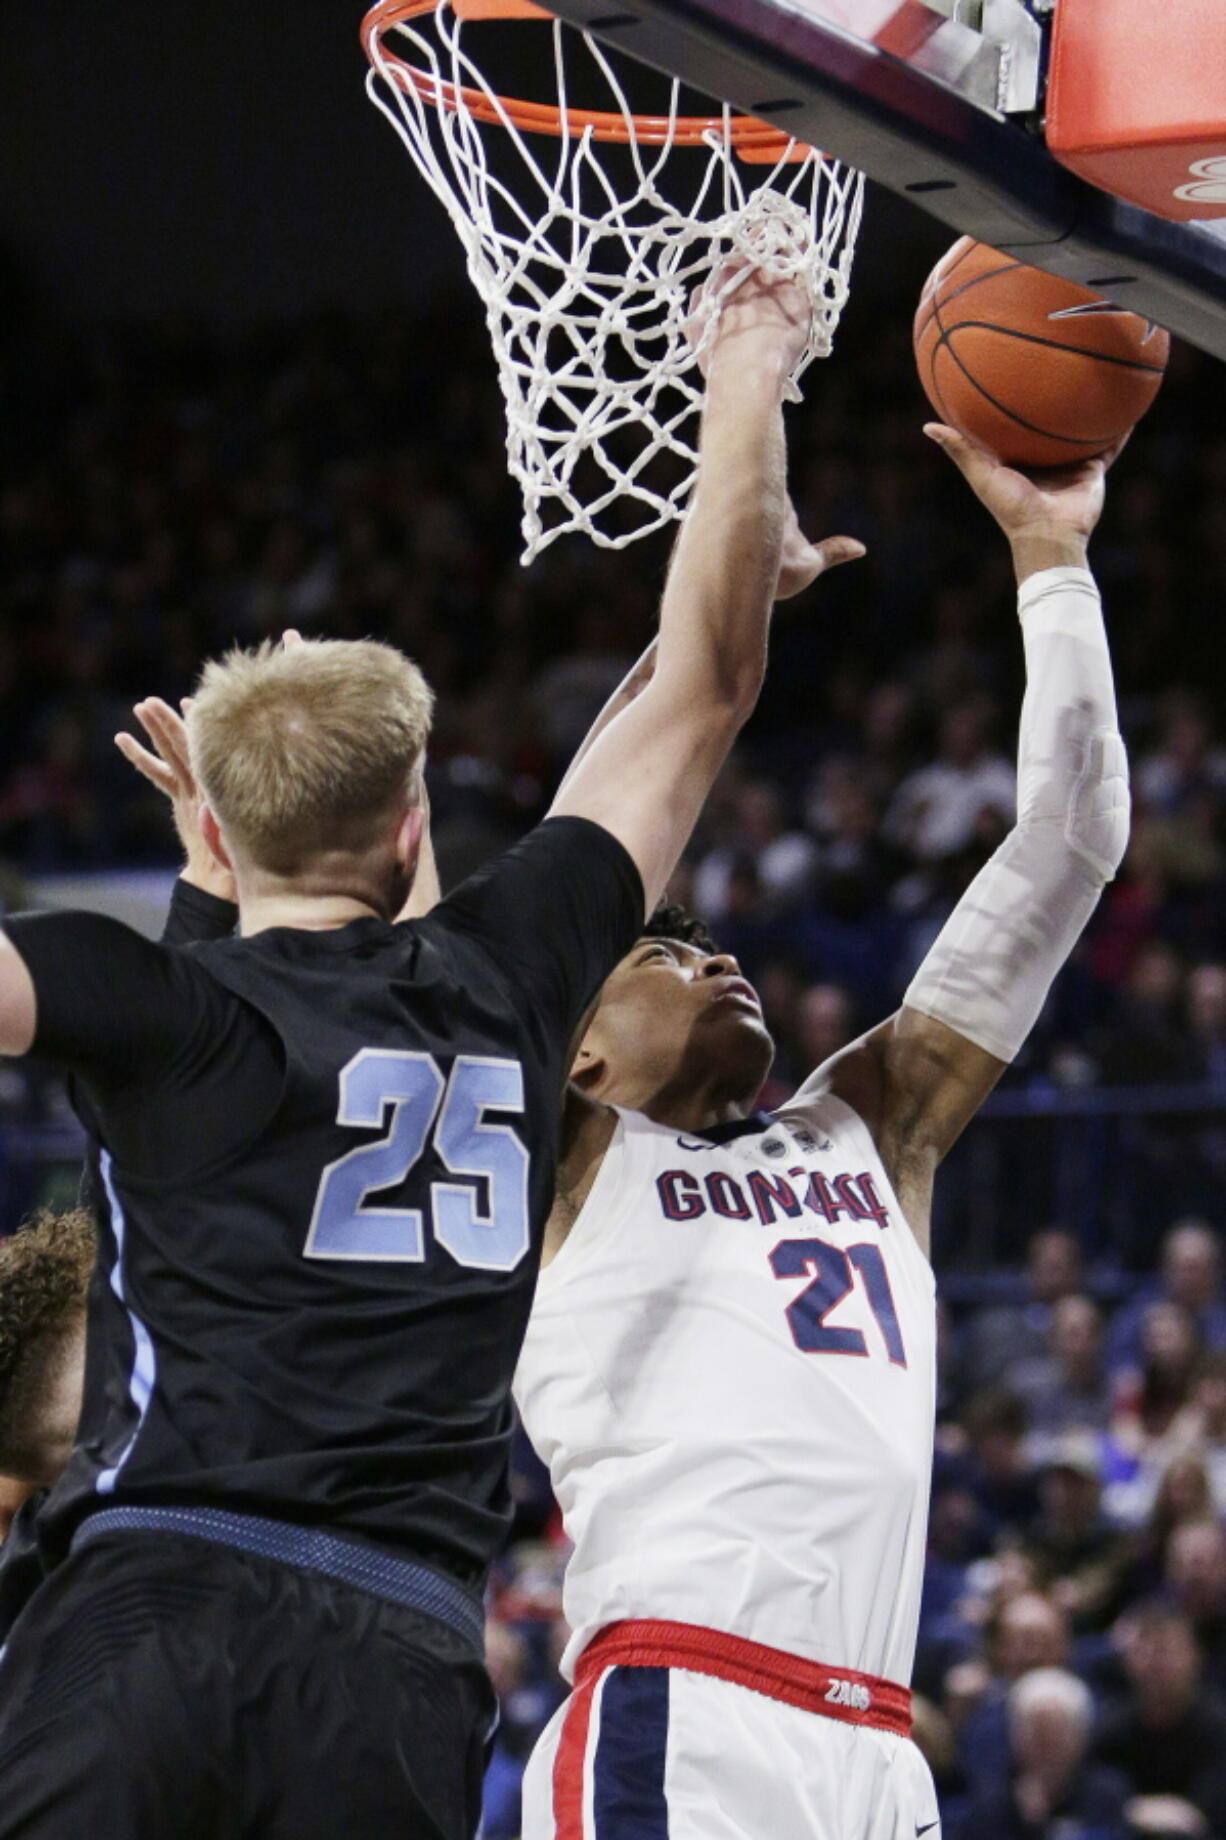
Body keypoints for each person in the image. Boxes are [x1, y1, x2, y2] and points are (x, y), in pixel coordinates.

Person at [0, 266, 848, 1840]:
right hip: (391, 1643)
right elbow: (700, 691)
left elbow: (217, 1059)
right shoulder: (507, 972)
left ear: (224, 831)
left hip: (150, 1607)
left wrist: (195, 896)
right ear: (411, 829)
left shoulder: (157, 1002)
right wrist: (746, 371)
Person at [506, 422, 1129, 1838]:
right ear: (577, 1040)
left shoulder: (871, 1122)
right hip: (679, 1707)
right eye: (659, 952)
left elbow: (1073, 841)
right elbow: (570, 867)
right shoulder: (570, 1155)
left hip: (876, 1746)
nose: (712, 957)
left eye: (712, 943)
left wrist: (1049, 559)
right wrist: (696, 620)